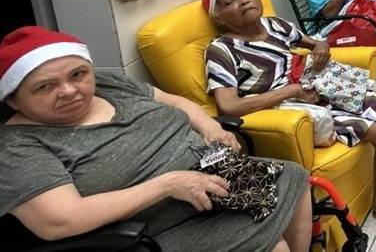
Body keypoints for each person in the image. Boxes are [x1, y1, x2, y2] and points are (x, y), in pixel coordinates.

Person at [0, 26, 314, 252]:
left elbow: (174, 101)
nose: (69, 90)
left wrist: (210, 128)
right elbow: (61, 221)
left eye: (78, 74)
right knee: (273, 244)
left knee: (293, 178)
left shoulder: (110, 85)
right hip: (158, 224)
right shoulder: (17, 147)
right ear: (13, 98)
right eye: (45, 86)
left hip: (212, 180)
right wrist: (167, 184)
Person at [204, 0, 376, 229]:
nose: (243, 1)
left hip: (319, 88)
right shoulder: (221, 50)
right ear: (219, 16)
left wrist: (321, 46)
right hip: (292, 109)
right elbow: (228, 106)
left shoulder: (274, 25)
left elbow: (314, 42)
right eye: (229, 1)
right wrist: (292, 91)